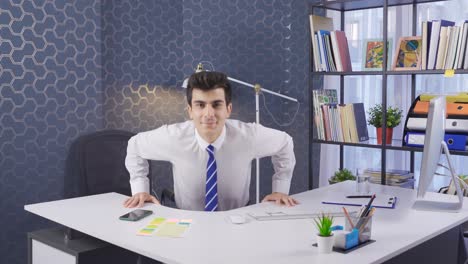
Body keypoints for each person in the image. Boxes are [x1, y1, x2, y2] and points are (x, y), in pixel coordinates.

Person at [124, 71, 298, 210]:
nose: (209, 114)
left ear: (228, 109)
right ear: (190, 110)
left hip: (235, 221)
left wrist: (280, 190)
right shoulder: (173, 137)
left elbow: (285, 143)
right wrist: (140, 190)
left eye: (216, 104)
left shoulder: (248, 136)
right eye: (200, 105)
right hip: (188, 222)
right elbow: (134, 146)